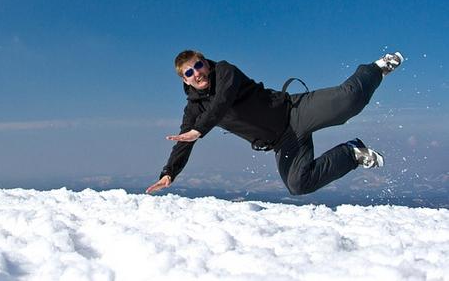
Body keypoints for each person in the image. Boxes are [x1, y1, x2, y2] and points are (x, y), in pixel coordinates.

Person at [145, 50, 404, 195]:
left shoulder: (225, 71)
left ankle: (376, 69)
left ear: (205, 64)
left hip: (293, 112)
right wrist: (169, 173)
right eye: (189, 72)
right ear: (185, 80)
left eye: (198, 65)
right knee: (298, 184)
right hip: (282, 141)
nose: (197, 72)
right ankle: (352, 154)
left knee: (351, 102)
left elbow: (222, 101)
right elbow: (183, 141)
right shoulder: (193, 108)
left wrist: (200, 130)